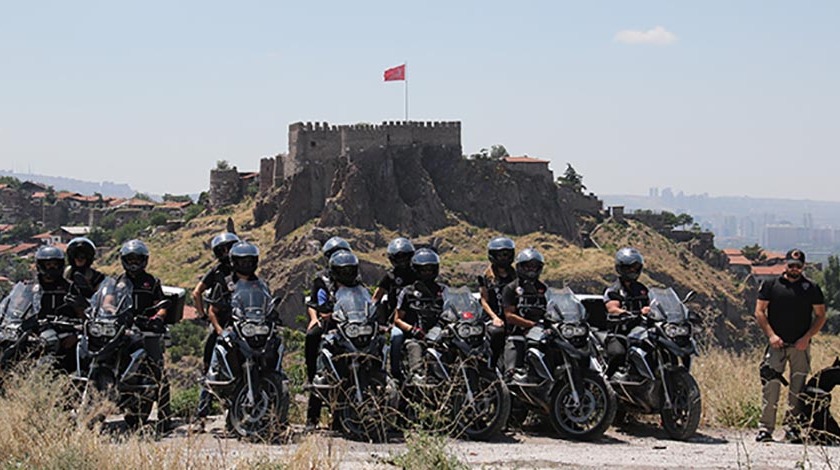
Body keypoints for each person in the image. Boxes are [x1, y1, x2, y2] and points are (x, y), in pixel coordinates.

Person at [754, 248, 826, 443]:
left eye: (798, 266)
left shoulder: (811, 287)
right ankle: (765, 428)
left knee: (798, 388)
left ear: (803, 267)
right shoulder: (770, 285)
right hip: (777, 344)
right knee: (771, 386)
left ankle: (792, 428)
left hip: (800, 346)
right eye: (791, 265)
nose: (794, 269)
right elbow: (760, 311)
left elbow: (820, 316)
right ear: (785, 264)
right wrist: (771, 335)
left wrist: (807, 337)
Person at [117, 239, 174, 432]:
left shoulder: (151, 282)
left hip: (146, 329)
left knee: (158, 369)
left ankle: (165, 417)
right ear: (123, 260)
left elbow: (162, 305)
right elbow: (107, 300)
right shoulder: (117, 282)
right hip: (121, 329)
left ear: (144, 260)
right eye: (130, 259)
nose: (133, 263)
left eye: (137, 259)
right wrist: (107, 310)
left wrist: (158, 317)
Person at [306, 249, 362, 429]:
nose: (346, 272)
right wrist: (319, 316)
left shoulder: (358, 285)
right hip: (332, 329)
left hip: (353, 328)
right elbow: (319, 303)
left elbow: (365, 302)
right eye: (342, 269)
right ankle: (312, 418)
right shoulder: (324, 282)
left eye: (349, 269)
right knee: (321, 364)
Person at [191, 232, 240, 425]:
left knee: (212, 368)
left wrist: (202, 315)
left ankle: (203, 416)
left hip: (226, 326)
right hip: (230, 326)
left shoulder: (221, 271)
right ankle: (201, 415)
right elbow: (196, 293)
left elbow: (196, 294)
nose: (227, 253)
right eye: (224, 249)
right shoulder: (241, 270)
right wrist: (206, 315)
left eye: (229, 249)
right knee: (211, 368)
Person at [305, 235, 353, 407]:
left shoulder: (354, 278)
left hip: (351, 324)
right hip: (330, 322)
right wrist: (314, 318)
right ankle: (311, 379)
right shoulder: (322, 278)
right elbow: (314, 302)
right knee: (312, 336)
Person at [394, 248, 446, 385]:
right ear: (416, 270)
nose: (427, 273)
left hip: (440, 335)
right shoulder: (407, 292)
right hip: (417, 336)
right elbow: (397, 319)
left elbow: (454, 309)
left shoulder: (443, 290)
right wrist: (412, 330)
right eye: (424, 270)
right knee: (414, 346)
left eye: (430, 269)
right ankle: (417, 379)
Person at [372, 237, 416, 381]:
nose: (402, 261)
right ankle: (395, 371)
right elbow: (376, 297)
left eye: (405, 257)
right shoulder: (390, 276)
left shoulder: (417, 273)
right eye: (398, 258)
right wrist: (370, 315)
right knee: (396, 337)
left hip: (418, 316)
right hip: (397, 320)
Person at [603, 247, 651, 376]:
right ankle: (606, 381)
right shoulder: (614, 290)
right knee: (618, 354)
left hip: (642, 331)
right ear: (621, 268)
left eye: (636, 267)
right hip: (620, 332)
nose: (633, 270)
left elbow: (652, 304)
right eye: (630, 267)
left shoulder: (642, 289)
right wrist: (624, 312)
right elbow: (612, 308)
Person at [501, 248, 548, 380]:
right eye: (528, 266)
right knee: (511, 374)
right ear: (520, 267)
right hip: (517, 332)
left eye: (534, 266)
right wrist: (530, 324)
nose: (531, 269)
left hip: (541, 331)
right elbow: (509, 316)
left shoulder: (543, 289)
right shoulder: (511, 288)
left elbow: (552, 308)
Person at [33, 245, 77, 372]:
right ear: (40, 265)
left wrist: (76, 332)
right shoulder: (31, 286)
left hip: (63, 330)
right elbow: (17, 304)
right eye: (48, 264)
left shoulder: (69, 287)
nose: (51, 267)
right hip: (35, 330)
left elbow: (82, 312)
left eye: (55, 264)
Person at [477, 237, 516, 368]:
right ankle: (491, 365)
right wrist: (495, 318)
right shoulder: (485, 277)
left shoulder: (516, 276)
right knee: (497, 333)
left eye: (506, 254)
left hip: (511, 316)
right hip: (492, 317)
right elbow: (484, 300)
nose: (504, 258)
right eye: (500, 255)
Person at [63, 237, 105, 314]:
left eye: (83, 256)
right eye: (76, 255)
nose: (80, 259)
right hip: (65, 313)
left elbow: (103, 297)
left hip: (89, 312)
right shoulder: (65, 274)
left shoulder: (97, 277)